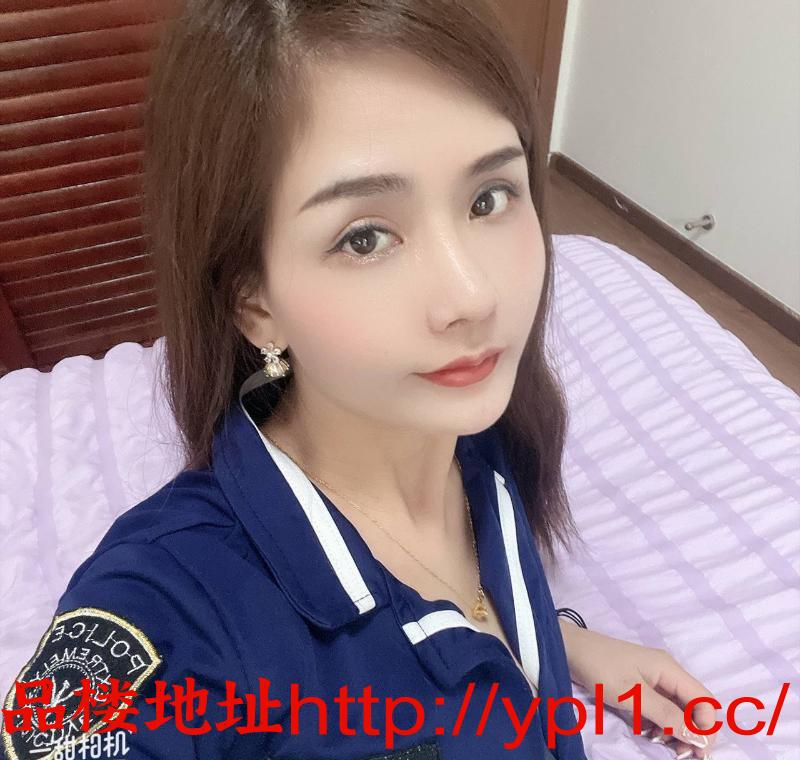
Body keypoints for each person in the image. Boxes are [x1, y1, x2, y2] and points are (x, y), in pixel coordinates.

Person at [1, 1, 719, 758]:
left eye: (488, 198)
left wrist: (554, 644)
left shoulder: (471, 433)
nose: (474, 296)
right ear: (255, 303)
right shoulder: (173, 611)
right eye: (366, 237)